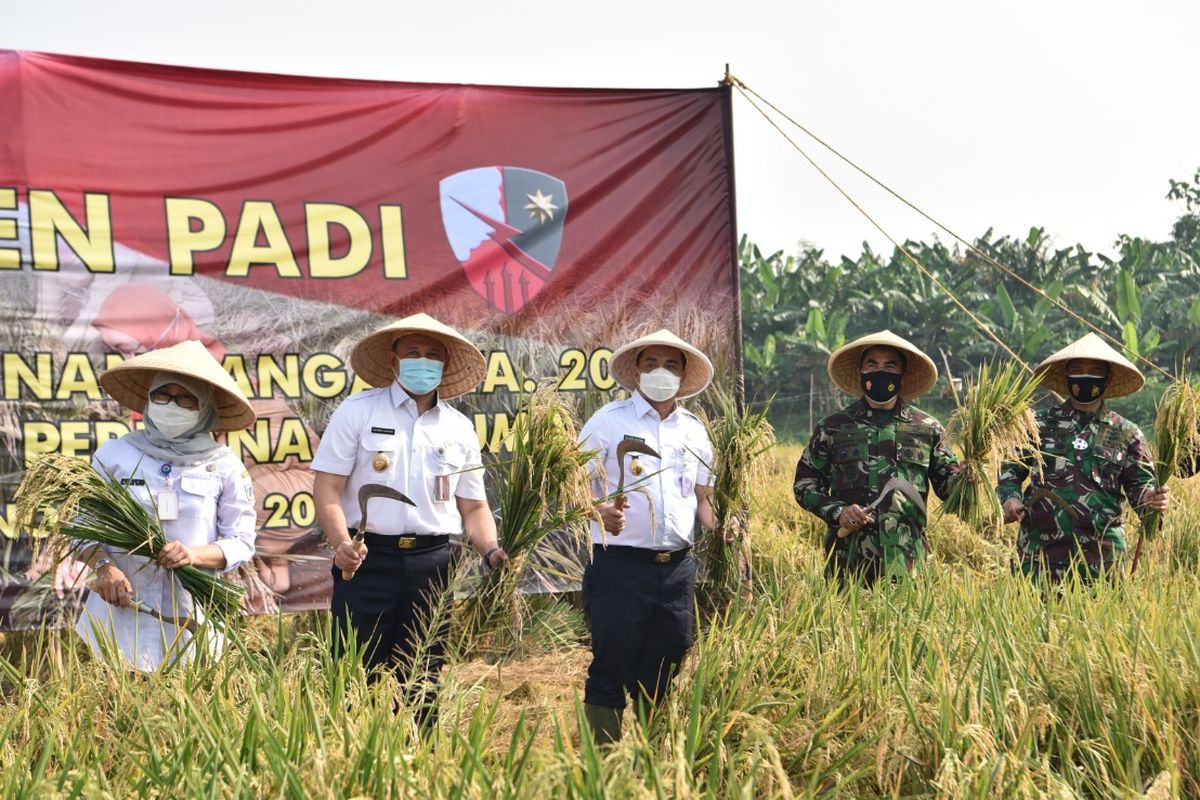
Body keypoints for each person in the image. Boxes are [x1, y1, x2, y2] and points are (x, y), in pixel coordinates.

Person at [311, 313, 505, 721]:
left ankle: (420, 767)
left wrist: (491, 550)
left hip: (432, 567)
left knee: (422, 680)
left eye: (433, 355)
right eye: (413, 352)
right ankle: (350, 766)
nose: (423, 361)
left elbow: (473, 507)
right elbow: (327, 489)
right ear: (394, 360)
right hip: (365, 562)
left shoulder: (459, 428)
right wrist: (342, 545)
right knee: (353, 678)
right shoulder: (358, 411)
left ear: (445, 365)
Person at [76, 339, 258, 671]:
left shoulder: (225, 465)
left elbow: (242, 542)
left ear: (203, 408)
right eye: (162, 395)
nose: (171, 404)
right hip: (119, 622)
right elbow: (82, 529)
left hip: (193, 625)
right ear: (148, 399)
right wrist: (104, 567)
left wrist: (193, 555)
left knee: (192, 717)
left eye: (185, 398)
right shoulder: (115, 455)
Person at [577, 329, 718, 745]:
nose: (661, 372)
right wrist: (597, 510)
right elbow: (568, 487)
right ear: (636, 371)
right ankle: (600, 764)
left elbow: (704, 498)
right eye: (652, 363)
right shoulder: (608, 422)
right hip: (619, 567)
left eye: (671, 365)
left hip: (676, 570)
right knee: (610, 664)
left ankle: (654, 760)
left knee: (666, 665)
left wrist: (724, 526)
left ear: (683, 373)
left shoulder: (693, 430)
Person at [794, 330, 962, 584]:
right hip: (847, 562)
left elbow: (950, 490)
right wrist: (838, 511)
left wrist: (968, 475)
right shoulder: (832, 428)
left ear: (902, 375)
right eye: (872, 364)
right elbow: (805, 485)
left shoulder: (927, 428)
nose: (880, 371)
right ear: (860, 372)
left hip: (908, 564)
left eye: (890, 365)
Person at [998, 333, 1169, 581]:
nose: (1085, 377)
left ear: (1107, 378)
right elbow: (1009, 472)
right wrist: (1009, 500)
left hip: (1103, 562)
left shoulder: (1127, 433)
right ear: (1066, 375)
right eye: (1077, 369)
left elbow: (1141, 489)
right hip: (1038, 558)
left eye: (1095, 371)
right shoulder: (1036, 425)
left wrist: (1154, 502)